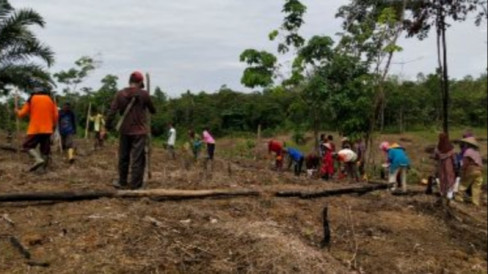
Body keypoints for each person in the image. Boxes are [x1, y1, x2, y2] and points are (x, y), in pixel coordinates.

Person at [107, 71, 156, 190]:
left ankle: (122, 182)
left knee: (123, 157)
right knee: (137, 159)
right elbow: (153, 110)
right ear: (140, 82)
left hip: (124, 131)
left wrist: (107, 126)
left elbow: (112, 112)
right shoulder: (144, 94)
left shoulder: (120, 94)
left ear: (130, 81)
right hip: (139, 132)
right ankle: (135, 184)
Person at [16, 81, 58, 172]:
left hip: (35, 129)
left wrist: (17, 111)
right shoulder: (50, 100)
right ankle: (42, 170)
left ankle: (38, 159)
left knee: (27, 146)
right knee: (45, 149)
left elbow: (22, 114)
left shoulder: (32, 99)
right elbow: (56, 116)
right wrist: (53, 126)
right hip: (47, 129)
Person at [455, 137, 483, 206]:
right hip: (479, 170)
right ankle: (475, 202)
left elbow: (465, 162)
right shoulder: (477, 152)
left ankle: (459, 198)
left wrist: (463, 170)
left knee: (463, 184)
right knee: (476, 187)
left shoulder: (468, 151)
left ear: (467, 144)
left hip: (471, 169)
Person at [434, 133, 456, 202]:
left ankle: (443, 192)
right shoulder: (450, 148)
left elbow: (436, 156)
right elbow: (453, 158)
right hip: (449, 165)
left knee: (442, 178)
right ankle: (449, 194)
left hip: (441, 164)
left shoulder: (438, 148)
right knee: (450, 178)